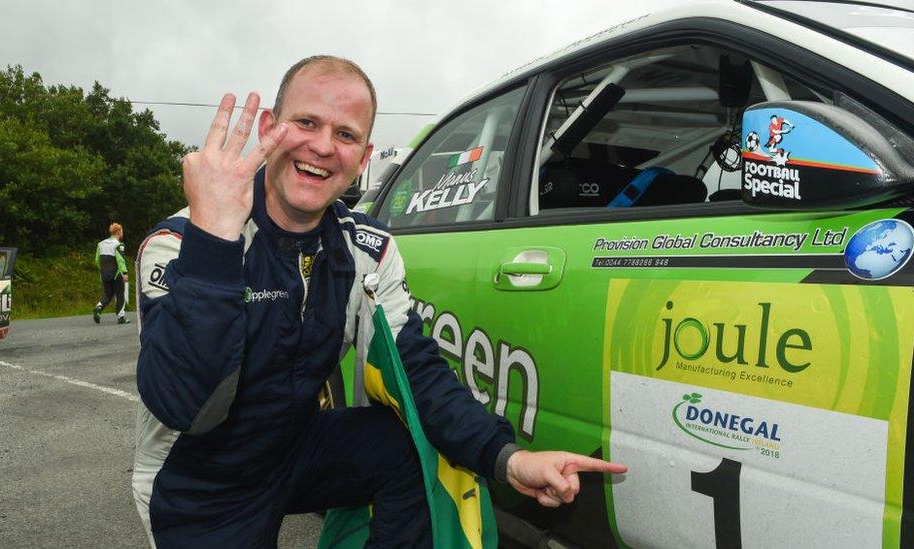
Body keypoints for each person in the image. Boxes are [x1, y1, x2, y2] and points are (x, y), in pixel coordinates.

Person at [132, 56, 627, 548]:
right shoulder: (180, 242)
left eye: (345, 135)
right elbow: (188, 407)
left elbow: (417, 371)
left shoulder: (369, 249)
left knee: (407, 444)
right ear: (270, 128)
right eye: (306, 122)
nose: (323, 146)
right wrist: (215, 241)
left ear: (363, 156)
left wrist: (505, 456)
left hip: (290, 450)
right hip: (199, 477)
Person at [93, 222, 130, 324]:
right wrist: (125, 272)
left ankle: (98, 307)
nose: (122, 232)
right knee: (120, 294)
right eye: (122, 230)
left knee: (108, 295)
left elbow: (97, 260)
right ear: (118, 232)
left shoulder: (100, 244)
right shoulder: (119, 245)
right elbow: (120, 260)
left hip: (104, 273)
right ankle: (121, 317)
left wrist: (103, 269)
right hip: (116, 274)